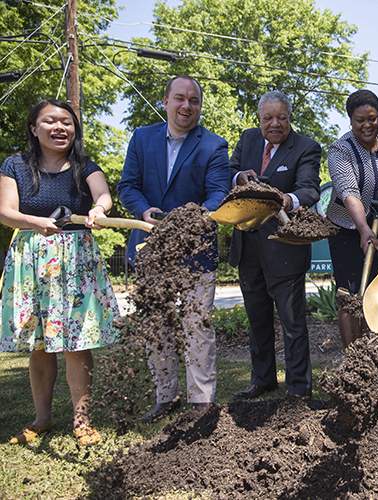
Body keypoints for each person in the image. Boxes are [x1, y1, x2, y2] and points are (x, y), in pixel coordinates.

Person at [0, 99, 119, 446]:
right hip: (32, 259)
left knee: (77, 344)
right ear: (34, 129)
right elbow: (5, 211)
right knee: (40, 346)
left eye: (67, 122)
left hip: (76, 261)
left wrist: (98, 209)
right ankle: (42, 418)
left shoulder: (85, 166)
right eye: (50, 121)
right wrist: (35, 222)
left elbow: (104, 195)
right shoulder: (15, 166)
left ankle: (82, 422)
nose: (60, 128)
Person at [118, 75, 230, 422]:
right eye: (179, 98)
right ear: (165, 101)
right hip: (152, 249)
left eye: (193, 100)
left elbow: (217, 194)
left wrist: (192, 217)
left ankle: (201, 400)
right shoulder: (141, 138)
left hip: (195, 249)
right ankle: (165, 397)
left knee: (197, 327)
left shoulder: (213, 146)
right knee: (158, 326)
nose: (186, 106)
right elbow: (127, 186)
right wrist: (143, 210)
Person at [229, 90, 321, 400]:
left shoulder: (306, 147)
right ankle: (263, 379)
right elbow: (230, 173)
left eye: (281, 117)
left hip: (285, 248)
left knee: (292, 322)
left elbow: (309, 189)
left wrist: (287, 199)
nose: (275, 124)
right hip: (248, 248)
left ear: (290, 117)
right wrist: (240, 176)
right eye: (268, 118)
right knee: (257, 319)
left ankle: (298, 387)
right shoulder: (248, 140)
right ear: (259, 119)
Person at [326, 89, 378, 347]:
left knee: (374, 289)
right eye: (361, 120)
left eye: (373, 118)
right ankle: (353, 358)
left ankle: (372, 350)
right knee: (349, 293)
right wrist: (363, 229)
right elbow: (349, 193)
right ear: (350, 120)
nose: (368, 125)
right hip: (347, 229)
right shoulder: (340, 150)